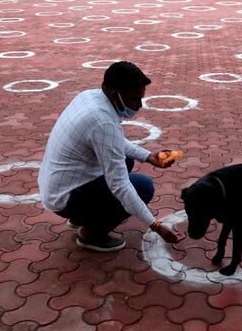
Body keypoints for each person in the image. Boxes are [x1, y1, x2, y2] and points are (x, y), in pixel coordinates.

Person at [39, 61, 182, 252]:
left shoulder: (89, 96)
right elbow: (120, 185)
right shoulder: (102, 120)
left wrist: (148, 157)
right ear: (115, 95)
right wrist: (155, 226)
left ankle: (81, 217)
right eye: (135, 99)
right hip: (64, 197)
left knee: (126, 159)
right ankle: (91, 233)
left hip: (59, 185)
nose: (139, 106)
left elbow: (113, 141)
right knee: (143, 187)